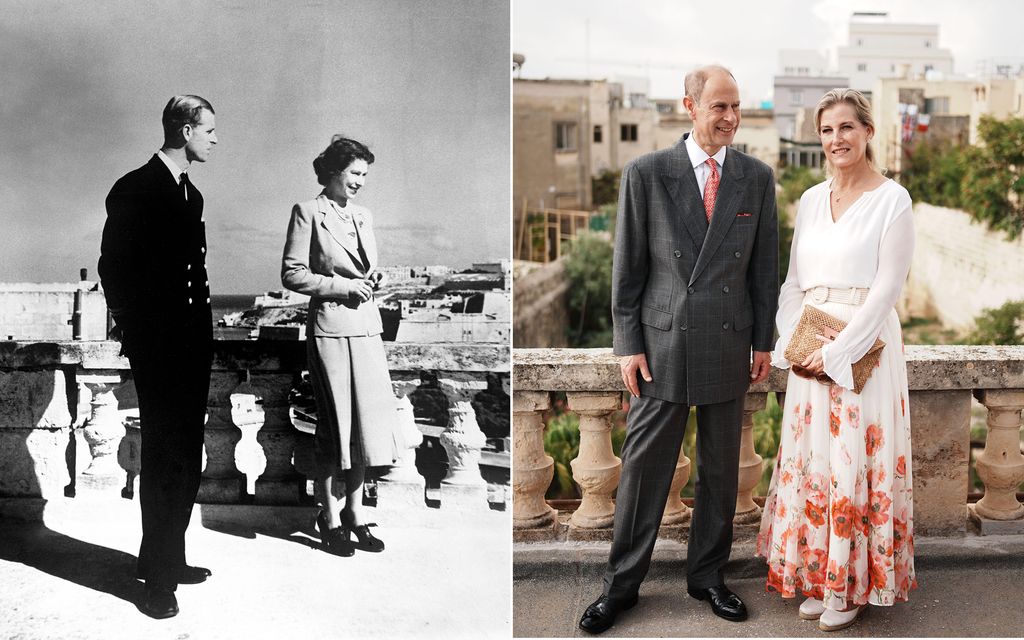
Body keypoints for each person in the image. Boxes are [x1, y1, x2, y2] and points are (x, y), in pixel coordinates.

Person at [578, 65, 779, 635]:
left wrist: (764, 339)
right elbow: (629, 269)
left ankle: (708, 578)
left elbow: (766, 271)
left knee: (719, 471)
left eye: (736, 107)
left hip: (730, 342)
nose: (731, 118)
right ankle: (621, 586)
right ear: (689, 106)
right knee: (643, 470)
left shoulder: (756, 178)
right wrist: (627, 345)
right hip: (662, 345)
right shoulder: (646, 173)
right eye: (719, 106)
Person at [756, 88, 917, 632]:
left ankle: (850, 588)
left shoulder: (894, 200)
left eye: (846, 127)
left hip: (863, 351)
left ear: (868, 132)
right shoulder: (807, 199)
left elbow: (887, 288)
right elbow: (795, 283)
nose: (836, 139)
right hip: (811, 352)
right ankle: (823, 574)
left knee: (854, 463)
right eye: (826, 130)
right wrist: (793, 344)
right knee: (816, 464)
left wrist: (837, 353)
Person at [98, 95, 218, 619]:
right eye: (209, 130)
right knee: (165, 456)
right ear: (185, 129)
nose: (215, 139)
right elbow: (114, 269)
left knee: (186, 455)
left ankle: (167, 555)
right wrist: (139, 332)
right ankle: (158, 581)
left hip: (191, 343)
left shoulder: (189, 193)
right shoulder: (136, 187)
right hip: (161, 347)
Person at [281, 135, 400, 557]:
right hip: (331, 328)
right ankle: (328, 515)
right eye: (354, 173)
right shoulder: (307, 212)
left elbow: (367, 265)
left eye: (365, 175)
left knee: (366, 427)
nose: (360, 182)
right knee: (335, 429)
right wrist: (343, 287)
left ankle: (355, 514)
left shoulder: (364, 216)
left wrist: (375, 280)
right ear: (334, 170)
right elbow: (292, 274)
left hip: (367, 329)